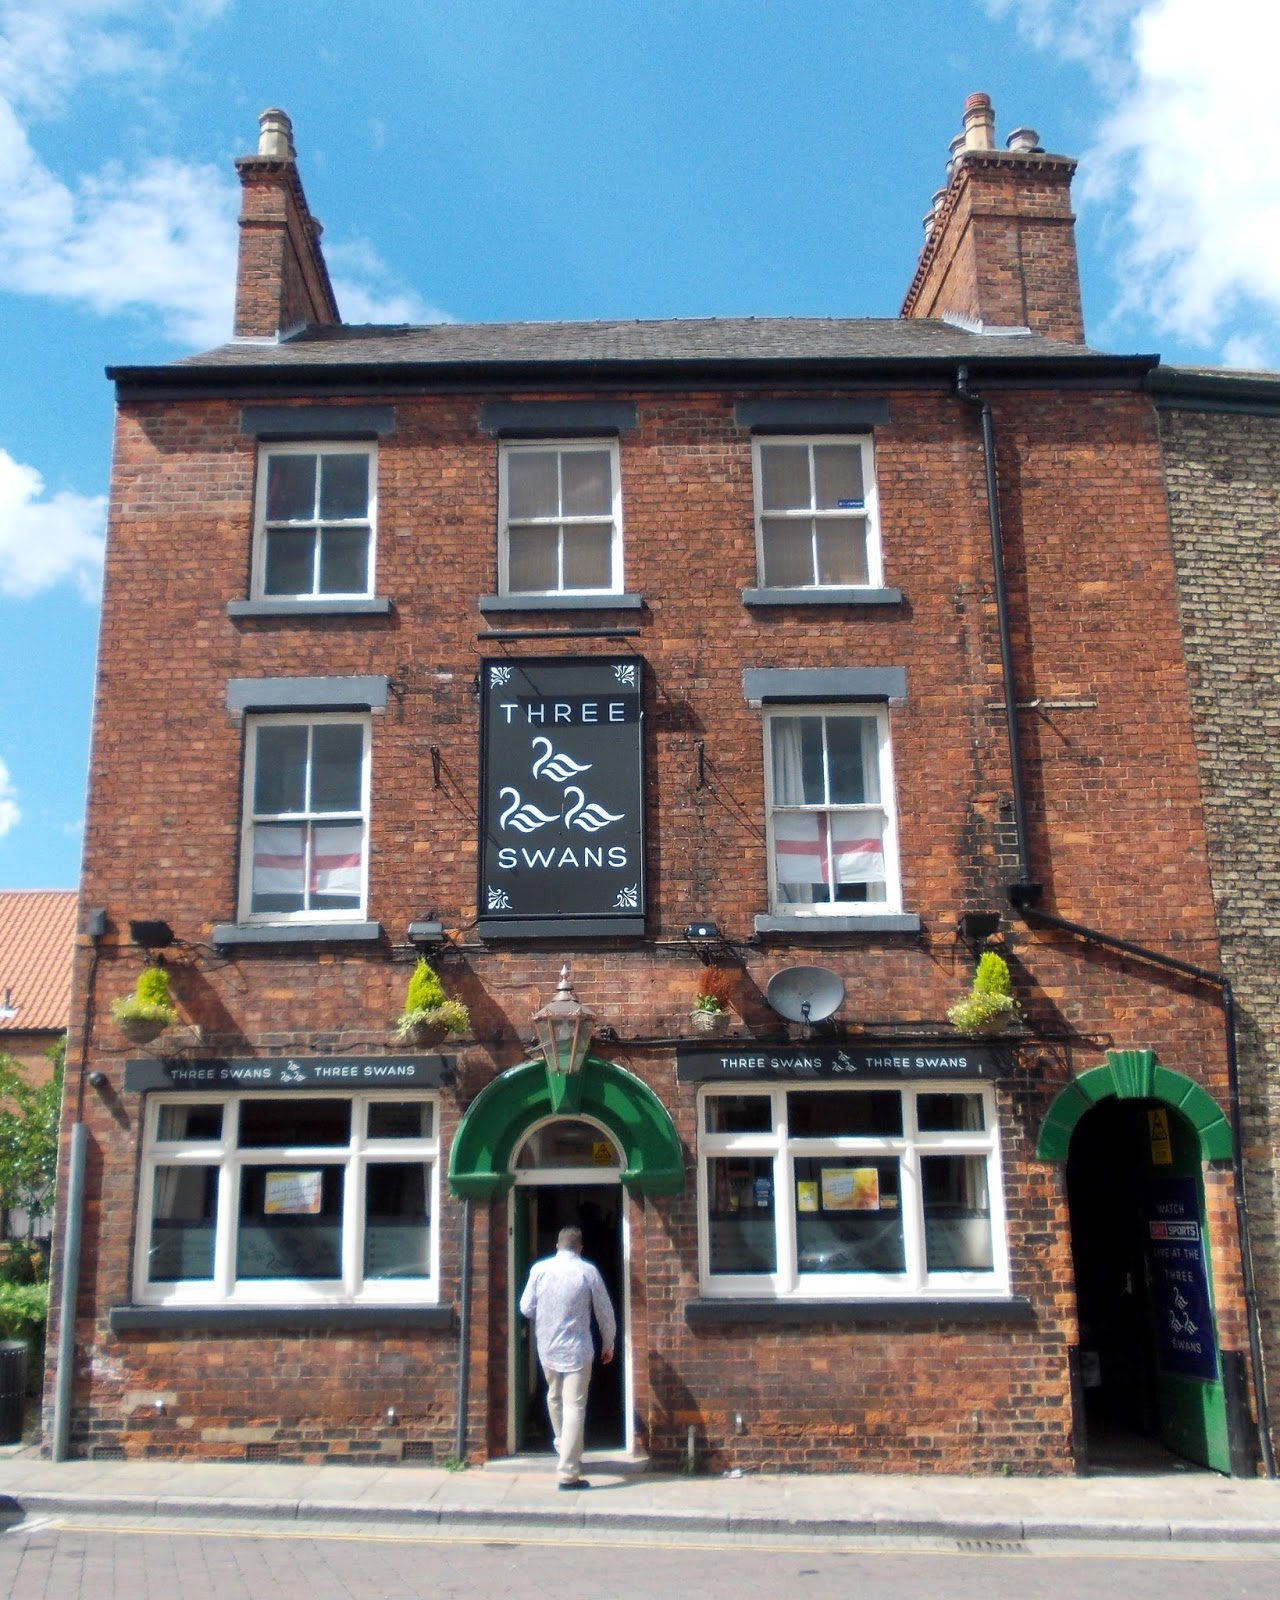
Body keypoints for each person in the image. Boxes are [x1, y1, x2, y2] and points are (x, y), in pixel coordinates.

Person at [519, 1224, 616, 1490]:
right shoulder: (587, 1271)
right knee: (574, 1407)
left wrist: (546, 1313)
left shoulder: (539, 1270)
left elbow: (525, 1307)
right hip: (578, 1350)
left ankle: (564, 1448)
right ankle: (568, 1472)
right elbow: (604, 1311)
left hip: (547, 1348)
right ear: (580, 1248)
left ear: (557, 1246)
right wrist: (608, 1343)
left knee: (554, 1397)